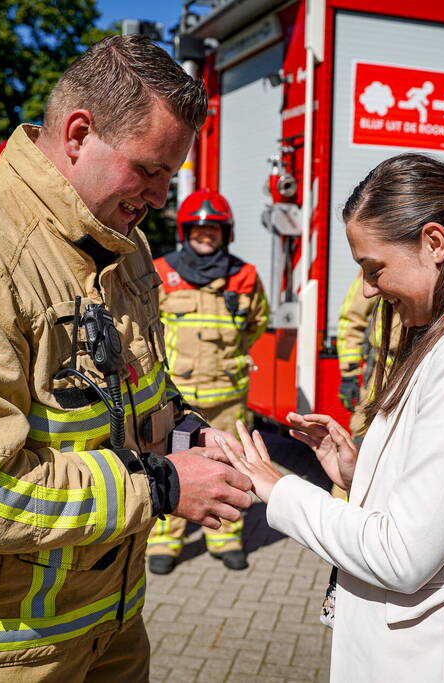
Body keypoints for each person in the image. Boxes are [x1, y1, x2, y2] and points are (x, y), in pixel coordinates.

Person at [0, 35, 254, 681]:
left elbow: (137, 386)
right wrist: (163, 484)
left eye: (170, 176)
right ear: (78, 134)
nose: (159, 197)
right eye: (148, 169)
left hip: (104, 624)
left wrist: (187, 433)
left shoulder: (120, 242)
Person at [217, 153, 444, 682]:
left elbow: (401, 554)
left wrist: (278, 488)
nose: (369, 288)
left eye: (375, 269)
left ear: (434, 243)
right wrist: (361, 472)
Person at [146, 189, 269, 573]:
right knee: (169, 464)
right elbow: (146, 325)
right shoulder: (161, 271)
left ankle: (224, 537)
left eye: (213, 231)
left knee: (231, 464)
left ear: (225, 234)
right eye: (198, 231)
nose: (205, 237)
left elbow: (257, 322)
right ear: (185, 233)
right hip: (175, 399)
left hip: (227, 396)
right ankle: (165, 540)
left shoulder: (245, 276)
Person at [336, 272, 400, 440]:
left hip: (425, 362)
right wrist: (349, 375)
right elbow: (351, 320)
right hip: (384, 371)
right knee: (364, 431)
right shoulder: (376, 265)